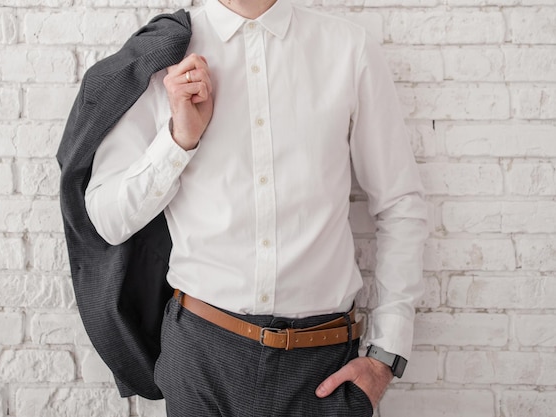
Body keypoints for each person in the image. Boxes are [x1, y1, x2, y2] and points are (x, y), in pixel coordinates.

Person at [84, 0, 428, 415]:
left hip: (323, 367)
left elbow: (398, 204)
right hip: (201, 359)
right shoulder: (164, 57)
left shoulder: (347, 48)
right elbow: (108, 220)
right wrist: (178, 140)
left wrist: (386, 355)